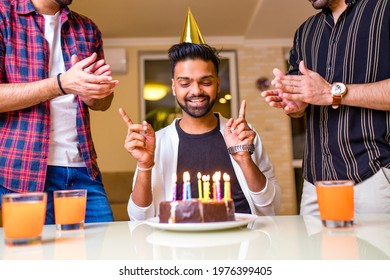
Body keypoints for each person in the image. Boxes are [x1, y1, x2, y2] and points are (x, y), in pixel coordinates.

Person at [119, 42, 281, 221]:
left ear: (218, 84)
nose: (196, 91)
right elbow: (138, 218)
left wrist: (244, 158)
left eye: (205, 82)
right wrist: (145, 165)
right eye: (185, 83)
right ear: (174, 87)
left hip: (243, 242)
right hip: (177, 245)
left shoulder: (244, 135)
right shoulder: (159, 142)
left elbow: (272, 207)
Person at [261, 0, 390, 215]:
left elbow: (324, 93)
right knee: (313, 250)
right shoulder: (304, 32)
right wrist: (296, 104)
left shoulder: (384, 9)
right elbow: (304, 98)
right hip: (316, 183)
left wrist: (332, 93)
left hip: (377, 175)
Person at [0, 0, 119, 223]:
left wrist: (95, 94)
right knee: (32, 255)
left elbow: (103, 103)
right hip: (22, 174)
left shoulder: (87, 28)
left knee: (103, 254)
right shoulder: (4, 15)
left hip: (83, 171)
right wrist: (62, 84)